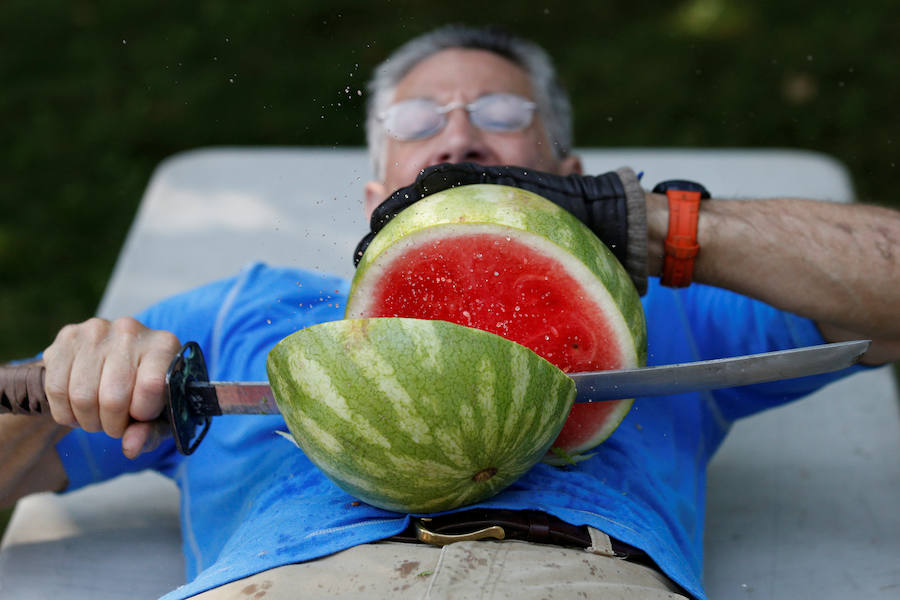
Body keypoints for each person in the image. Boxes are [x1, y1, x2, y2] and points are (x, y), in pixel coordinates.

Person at [2, 24, 899, 600]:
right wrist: (67, 384)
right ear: (373, 195)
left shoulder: (656, 316)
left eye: (503, 113)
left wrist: (648, 224)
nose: (460, 133)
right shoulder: (238, 313)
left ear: (570, 170)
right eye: (418, 119)